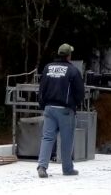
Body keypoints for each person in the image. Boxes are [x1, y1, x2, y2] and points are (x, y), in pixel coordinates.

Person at [36, 42, 85, 177]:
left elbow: (41, 89)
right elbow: (80, 92)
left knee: (47, 138)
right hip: (65, 110)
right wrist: (75, 105)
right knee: (66, 140)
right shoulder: (73, 70)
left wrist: (43, 105)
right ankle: (67, 169)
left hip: (49, 108)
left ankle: (42, 166)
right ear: (69, 55)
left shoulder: (48, 68)